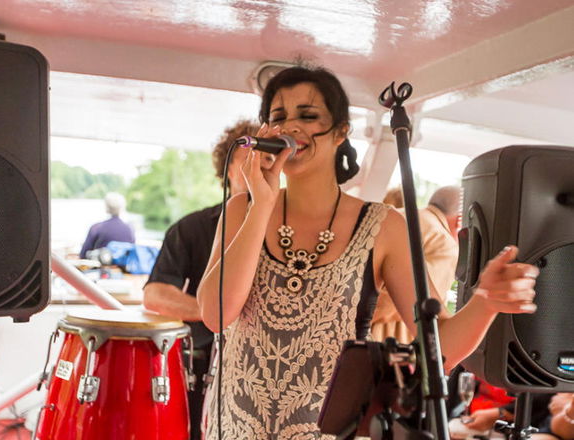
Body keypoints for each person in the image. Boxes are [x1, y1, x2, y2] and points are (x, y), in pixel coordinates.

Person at [197, 66, 539, 439]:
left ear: (341, 131)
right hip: (237, 426)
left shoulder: (383, 226)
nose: (291, 127)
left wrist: (486, 302)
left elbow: (437, 346)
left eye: (308, 116)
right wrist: (261, 203)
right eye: (279, 117)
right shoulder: (242, 209)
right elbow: (216, 315)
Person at [143, 119, 263, 440]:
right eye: (248, 159)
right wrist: (219, 310)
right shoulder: (190, 229)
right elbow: (155, 294)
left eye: (267, 159)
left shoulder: (290, 231)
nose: (258, 168)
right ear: (227, 169)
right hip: (202, 362)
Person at [372, 185, 461, 343]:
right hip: (378, 339)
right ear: (460, 220)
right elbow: (419, 306)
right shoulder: (443, 243)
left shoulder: (396, 216)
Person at [79, 192, 135, 259]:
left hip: (102, 264)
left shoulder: (96, 228)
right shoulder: (130, 229)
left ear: (106, 207)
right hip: (123, 264)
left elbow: (83, 254)